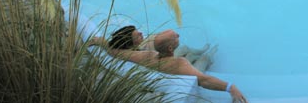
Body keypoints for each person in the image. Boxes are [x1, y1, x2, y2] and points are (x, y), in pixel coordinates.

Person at [91, 27, 247, 102]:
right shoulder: (179, 64)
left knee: (189, 54)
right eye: (175, 37)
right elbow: (204, 80)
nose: (178, 35)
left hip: (164, 67)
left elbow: (112, 49)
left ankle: (202, 52)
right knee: (203, 60)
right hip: (184, 79)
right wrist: (230, 87)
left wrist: (95, 41)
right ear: (171, 48)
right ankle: (210, 54)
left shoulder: (145, 56)